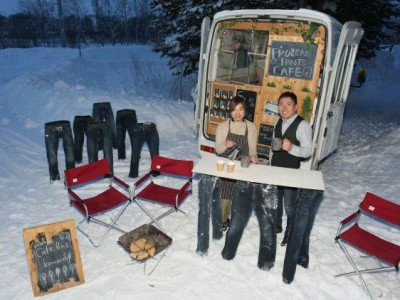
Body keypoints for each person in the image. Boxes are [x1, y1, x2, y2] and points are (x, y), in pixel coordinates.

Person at [270, 91, 312, 246]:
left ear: (295, 107)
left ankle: (290, 230)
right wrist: (270, 163)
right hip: (276, 168)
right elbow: (272, 146)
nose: (284, 108)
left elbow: (308, 151)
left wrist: (292, 147)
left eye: (288, 104)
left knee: (289, 204)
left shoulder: (303, 125)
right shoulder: (277, 122)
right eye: (281, 104)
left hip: (291, 172)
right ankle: (277, 225)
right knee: (276, 200)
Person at [215, 96, 259, 230]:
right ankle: (223, 219)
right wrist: (225, 145)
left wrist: (254, 157)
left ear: (245, 110)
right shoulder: (223, 126)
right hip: (227, 167)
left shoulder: (251, 127)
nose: (237, 113)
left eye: (240, 109)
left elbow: (252, 148)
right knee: (226, 193)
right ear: (230, 111)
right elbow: (218, 149)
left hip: (242, 166)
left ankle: (237, 220)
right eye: (234, 110)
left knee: (240, 194)